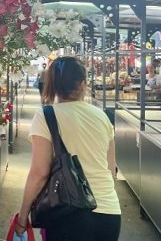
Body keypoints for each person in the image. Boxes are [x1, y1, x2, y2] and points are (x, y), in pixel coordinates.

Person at [16, 56, 120, 241]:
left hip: (67, 212)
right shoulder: (102, 117)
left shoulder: (46, 116)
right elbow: (111, 170)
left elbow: (39, 173)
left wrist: (23, 216)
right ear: (83, 83)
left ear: (53, 85)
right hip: (109, 213)